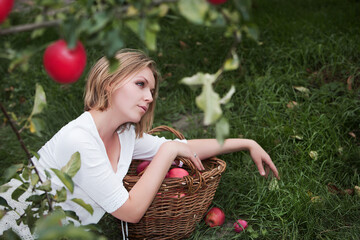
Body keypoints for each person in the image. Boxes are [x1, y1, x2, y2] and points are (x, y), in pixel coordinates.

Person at [0, 49, 280, 239]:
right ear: (109, 83)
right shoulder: (79, 139)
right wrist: (169, 151)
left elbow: (187, 146)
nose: (148, 97)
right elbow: (131, 211)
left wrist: (246, 142)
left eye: (152, 91)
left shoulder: (122, 134)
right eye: (140, 84)